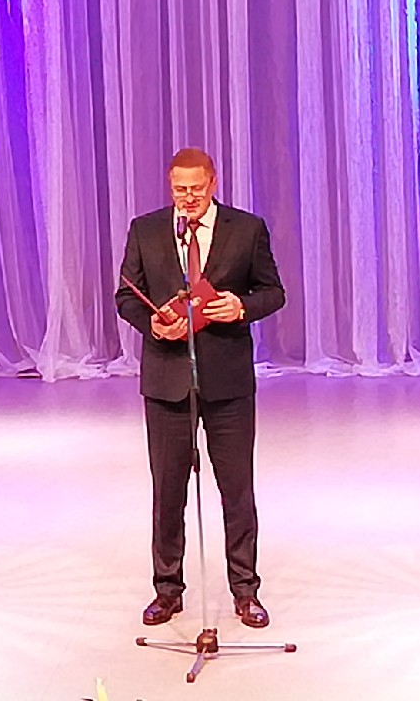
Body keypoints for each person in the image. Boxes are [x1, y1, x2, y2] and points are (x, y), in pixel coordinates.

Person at [114, 148, 286, 630]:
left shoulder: (246, 229)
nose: (187, 198)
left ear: (213, 183)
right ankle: (167, 590)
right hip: (167, 381)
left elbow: (273, 292)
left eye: (195, 189)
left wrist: (241, 307)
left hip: (227, 382)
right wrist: (152, 324)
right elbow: (126, 295)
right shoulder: (146, 229)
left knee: (237, 491)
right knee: (168, 492)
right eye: (179, 190)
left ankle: (245, 591)